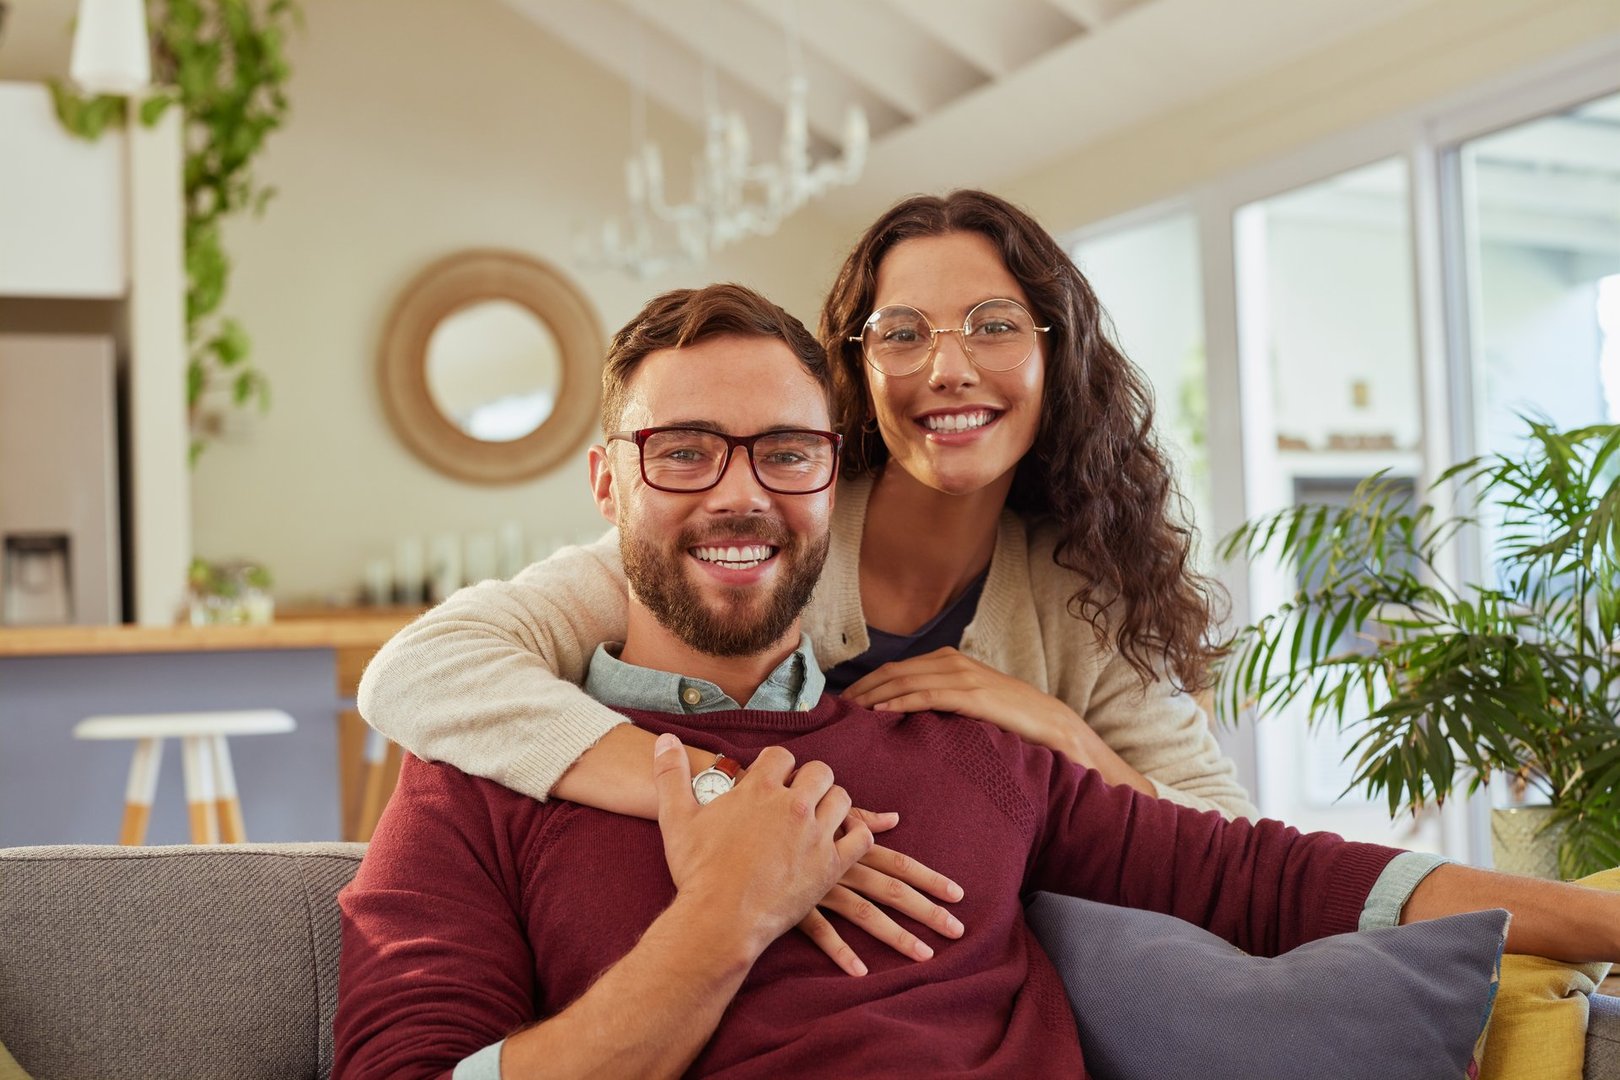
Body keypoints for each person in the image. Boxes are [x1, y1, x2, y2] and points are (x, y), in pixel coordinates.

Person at [335, 283, 1620, 1079]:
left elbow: (1275, 877)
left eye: (784, 452)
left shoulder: (964, 747)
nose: (740, 494)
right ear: (608, 484)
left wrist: (1596, 922)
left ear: (834, 484)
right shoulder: (476, 781)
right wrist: (720, 922)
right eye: (682, 452)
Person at [357, 190, 1253, 971]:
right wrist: (731, 794)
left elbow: (1227, 841)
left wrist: (1064, 735)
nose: (948, 367)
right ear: (856, 371)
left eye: (995, 325)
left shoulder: (1082, 588)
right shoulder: (768, 533)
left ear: (1059, 354)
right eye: (902, 334)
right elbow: (422, 670)